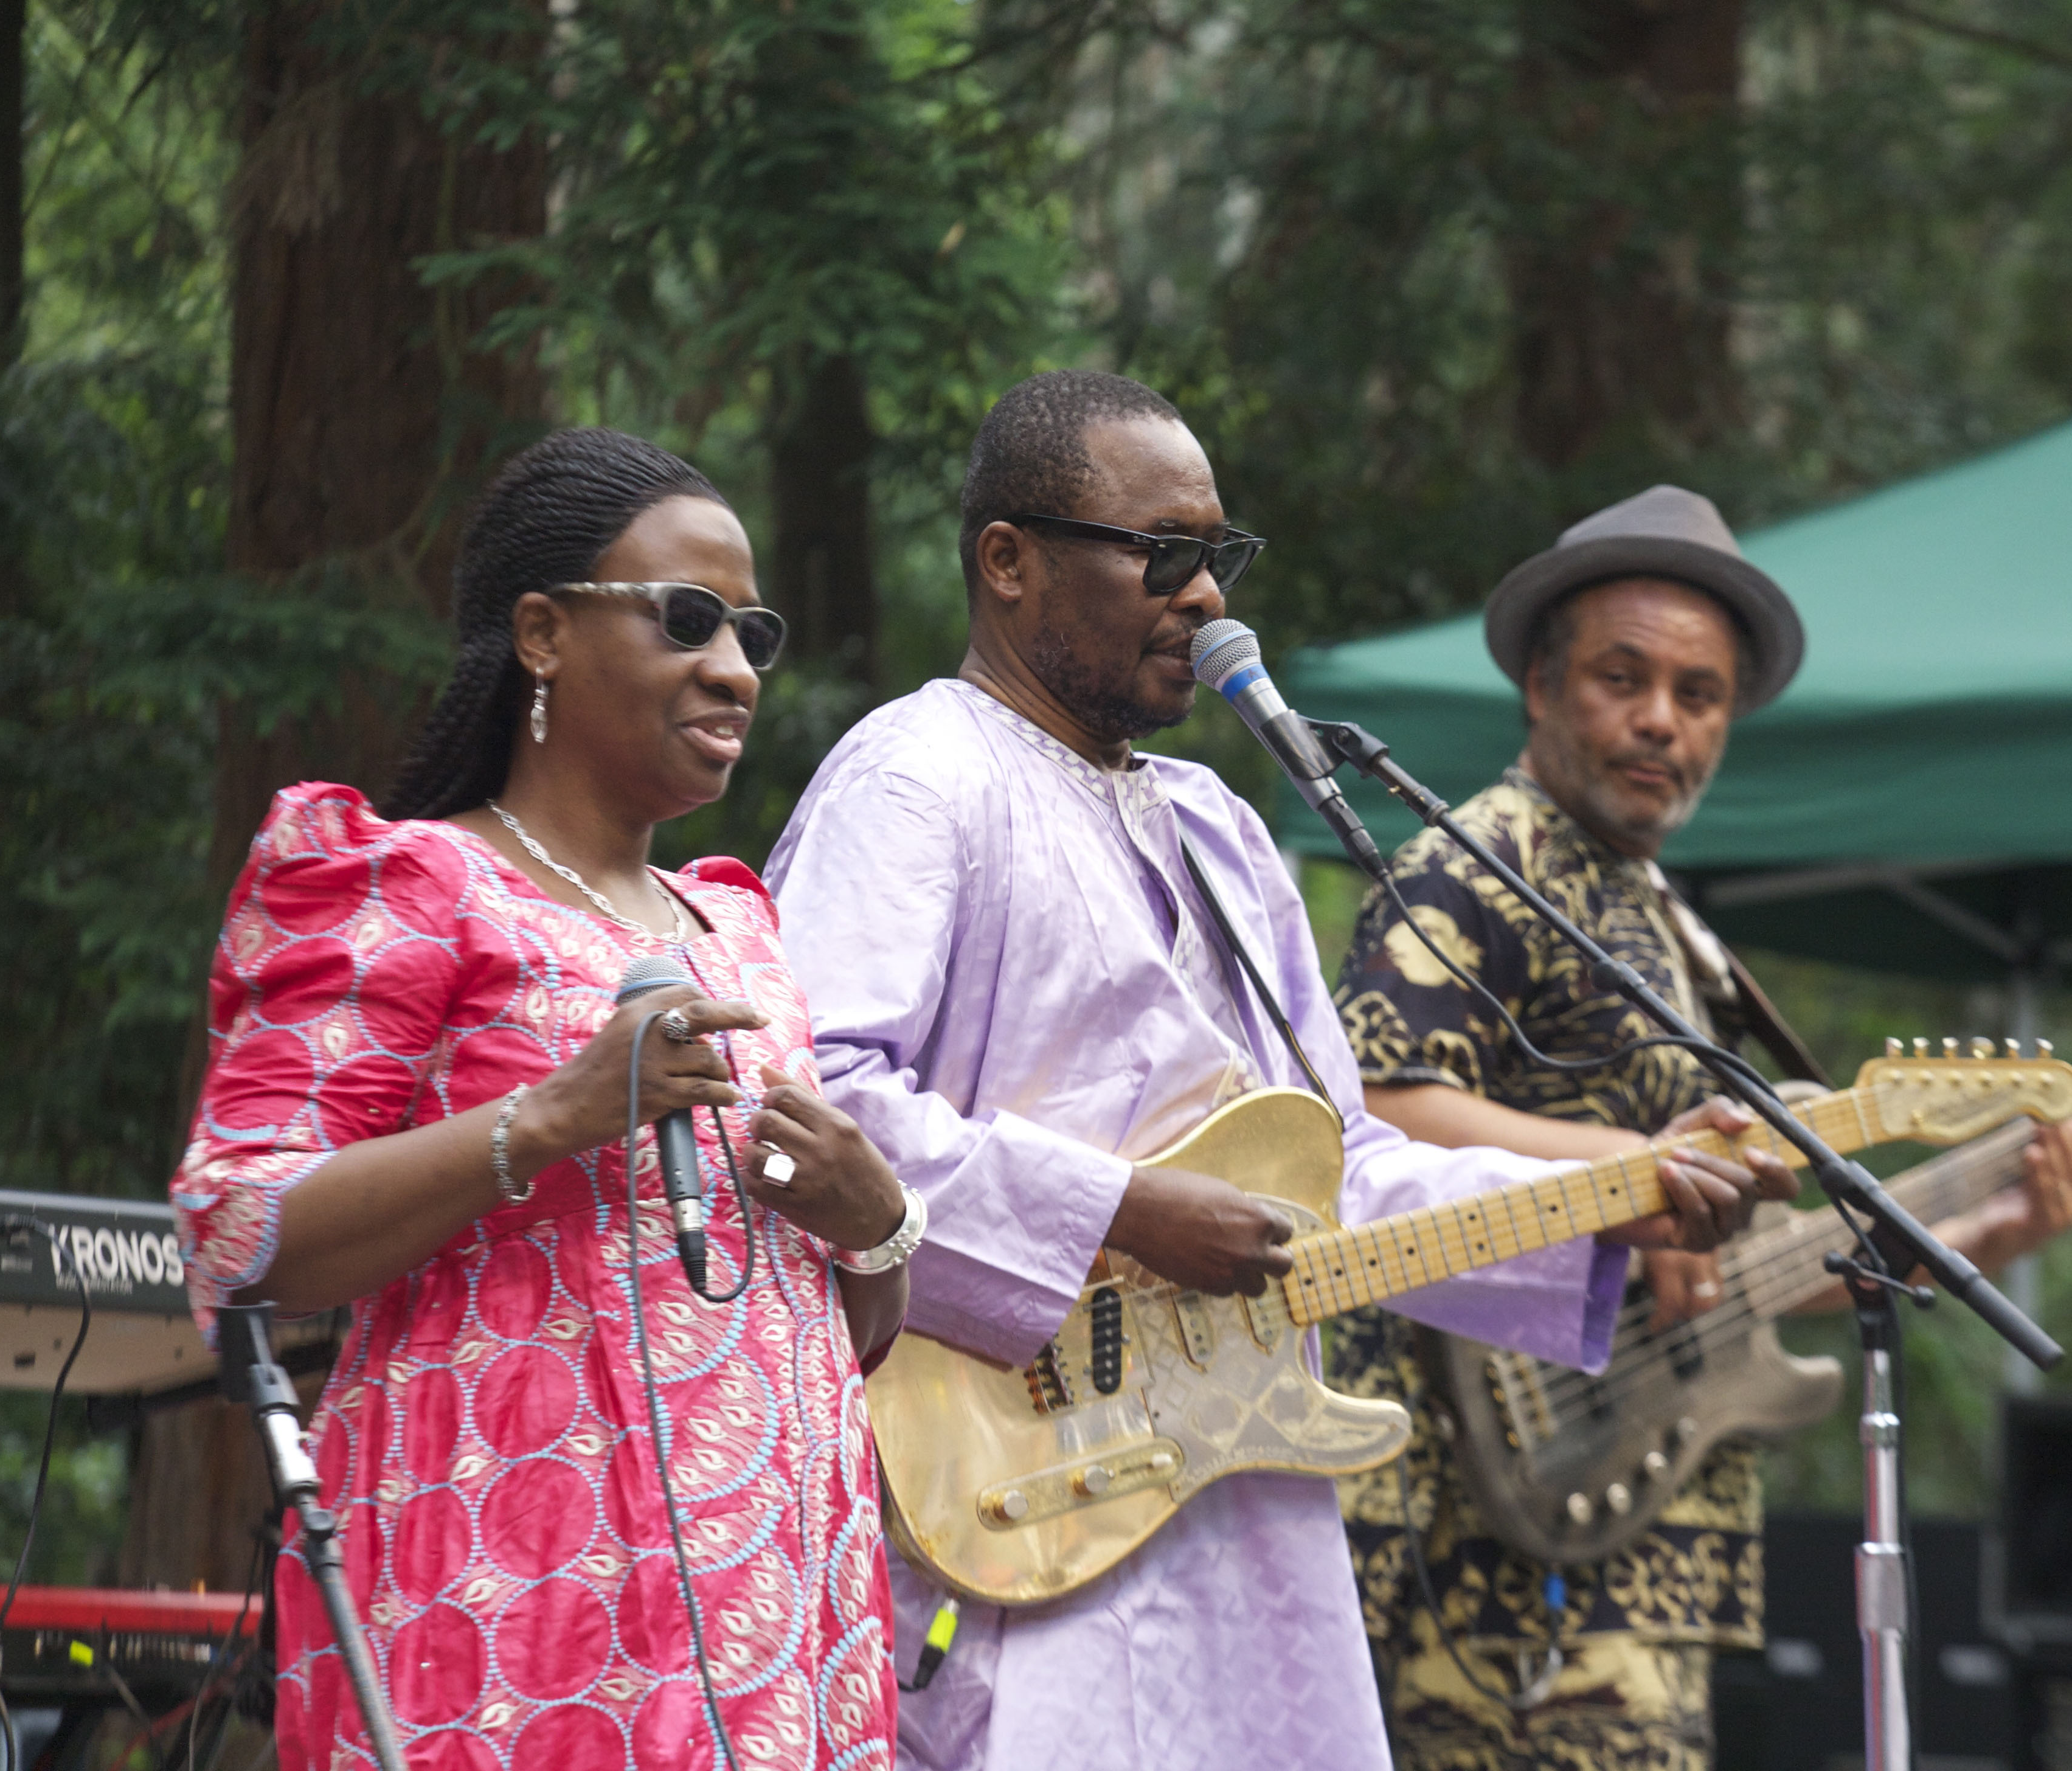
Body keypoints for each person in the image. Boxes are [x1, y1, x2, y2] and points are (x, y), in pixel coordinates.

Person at [762, 373, 1795, 1771]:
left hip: (1232, 1497)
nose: (1206, 600)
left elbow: (1345, 1168)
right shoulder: (915, 772)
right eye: (1164, 554)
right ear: (1008, 562)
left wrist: (1618, 1193)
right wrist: (1127, 1211)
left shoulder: (1220, 831)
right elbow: (810, 1111)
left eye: (1222, 558)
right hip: (1009, 1488)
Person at [171, 428, 914, 1771]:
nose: (736, 669)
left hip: (777, 1602)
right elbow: (241, 1227)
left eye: (755, 630)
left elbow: (830, 1326)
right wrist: (551, 1120)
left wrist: (879, 1229)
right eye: (689, 620)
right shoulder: (404, 882)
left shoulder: (738, 926)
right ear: (542, 634)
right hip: (520, 1593)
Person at [1331, 485, 2072, 1771]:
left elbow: (1689, 1280)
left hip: (1632, 1523)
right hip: (1492, 1541)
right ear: (1539, 685)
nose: (1660, 721)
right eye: (1622, 679)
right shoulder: (1478, 863)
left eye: (1699, 695)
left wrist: (1972, 1230)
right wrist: (1641, 1171)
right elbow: (1378, 1106)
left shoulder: (1663, 920)